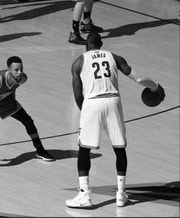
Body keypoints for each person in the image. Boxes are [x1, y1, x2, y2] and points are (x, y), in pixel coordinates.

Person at [66, 32, 164, 208]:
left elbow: (77, 92)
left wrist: (85, 112)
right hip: (113, 101)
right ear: (101, 44)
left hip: (92, 102)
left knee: (84, 148)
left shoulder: (78, 62)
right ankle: (121, 195)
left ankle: (84, 195)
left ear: (86, 46)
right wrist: (155, 86)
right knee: (119, 148)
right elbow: (139, 78)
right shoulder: (114, 57)